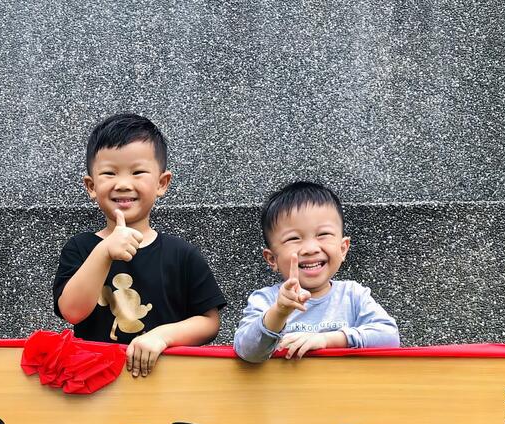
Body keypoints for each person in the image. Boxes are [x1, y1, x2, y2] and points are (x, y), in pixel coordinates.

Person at [52, 113, 226, 377]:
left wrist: (162, 336)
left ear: (161, 183)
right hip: (95, 382)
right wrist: (104, 251)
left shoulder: (182, 254)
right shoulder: (81, 248)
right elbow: (72, 312)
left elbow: (209, 322)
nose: (123, 184)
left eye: (137, 172)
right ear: (91, 186)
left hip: (166, 381)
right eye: (109, 173)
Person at [233, 181, 398, 362]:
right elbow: (247, 351)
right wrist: (279, 312)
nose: (311, 249)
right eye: (293, 238)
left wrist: (328, 340)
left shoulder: (353, 295)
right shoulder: (266, 300)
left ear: (343, 248)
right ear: (272, 259)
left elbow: (390, 337)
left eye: (323, 234)